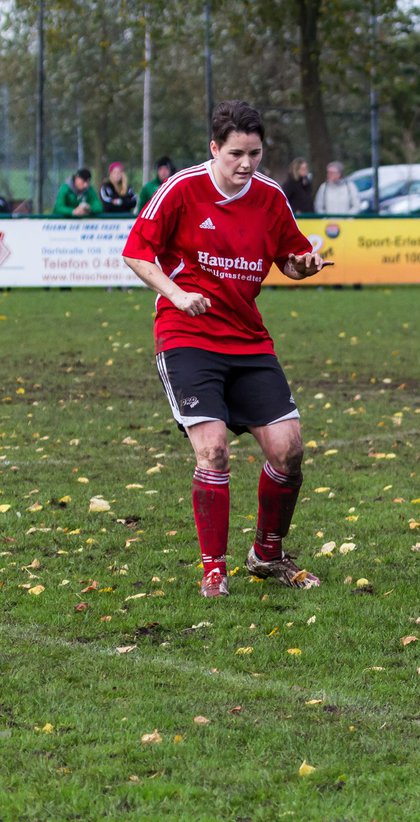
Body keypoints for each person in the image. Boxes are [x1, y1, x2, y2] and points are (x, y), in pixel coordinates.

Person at [121, 100, 333, 599]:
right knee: (213, 451)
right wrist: (176, 295)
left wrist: (306, 265)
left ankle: (267, 553)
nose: (246, 164)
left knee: (289, 448)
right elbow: (135, 251)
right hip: (186, 336)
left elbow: (290, 259)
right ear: (214, 148)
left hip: (247, 339)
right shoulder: (182, 189)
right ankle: (213, 570)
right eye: (236, 153)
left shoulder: (271, 197)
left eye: (255, 154)